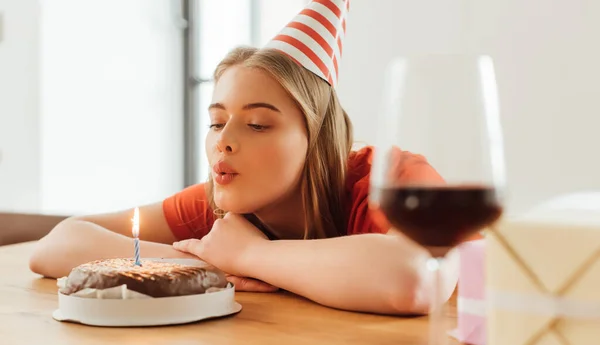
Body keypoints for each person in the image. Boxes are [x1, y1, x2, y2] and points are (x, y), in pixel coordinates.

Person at [29, 0, 459, 315]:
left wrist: (250, 257)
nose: (224, 142)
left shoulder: (395, 178)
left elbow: (417, 278)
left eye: (257, 125)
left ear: (317, 138)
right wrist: (205, 262)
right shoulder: (222, 200)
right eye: (217, 122)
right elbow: (58, 245)